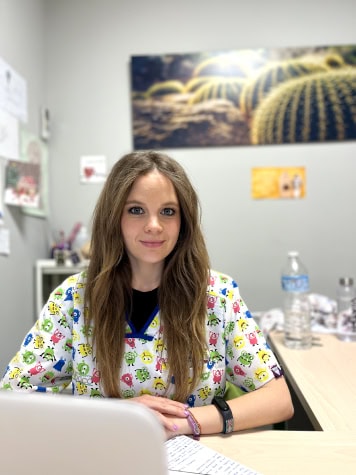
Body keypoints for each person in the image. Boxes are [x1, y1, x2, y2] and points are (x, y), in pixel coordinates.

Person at [0, 150, 293, 439]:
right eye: (136, 210)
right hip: (102, 454)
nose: (154, 225)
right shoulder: (73, 298)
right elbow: (11, 398)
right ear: (114, 217)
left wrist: (185, 422)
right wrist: (123, 416)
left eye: (168, 211)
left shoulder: (218, 295)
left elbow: (278, 398)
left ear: (184, 221)